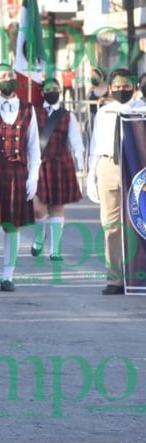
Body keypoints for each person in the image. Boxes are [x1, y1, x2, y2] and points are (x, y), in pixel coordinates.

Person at [0, 63, 41, 292]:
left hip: (16, 173)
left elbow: (33, 146)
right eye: (1, 76)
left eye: (10, 75)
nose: (7, 79)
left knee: (12, 226)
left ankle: (8, 276)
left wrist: (33, 177)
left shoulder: (27, 109)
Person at [87, 68, 144, 295]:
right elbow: (95, 143)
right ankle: (115, 279)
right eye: (117, 87)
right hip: (109, 166)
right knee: (111, 225)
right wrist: (91, 174)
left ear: (134, 87)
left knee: (140, 222)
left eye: (126, 86)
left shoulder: (142, 110)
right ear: (110, 88)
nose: (122, 90)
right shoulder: (104, 112)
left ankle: (139, 275)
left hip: (136, 168)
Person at [30, 78, 84, 261]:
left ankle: (55, 250)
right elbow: (28, 138)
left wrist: (80, 160)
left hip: (60, 162)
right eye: (48, 88)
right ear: (43, 92)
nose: (52, 91)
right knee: (38, 207)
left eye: (55, 88)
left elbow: (76, 140)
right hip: (39, 163)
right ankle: (39, 236)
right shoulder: (34, 112)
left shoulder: (68, 115)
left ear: (60, 90)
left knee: (57, 207)